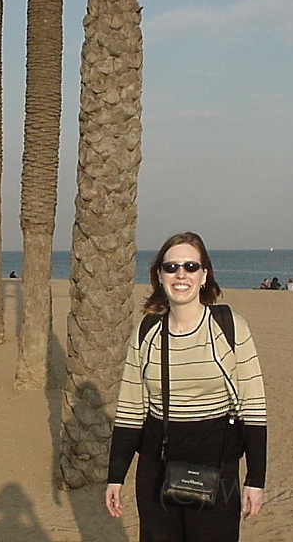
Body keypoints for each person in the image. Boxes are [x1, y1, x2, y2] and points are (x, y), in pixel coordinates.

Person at [106, 232, 267, 541]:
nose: (181, 274)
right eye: (171, 267)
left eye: (191, 266)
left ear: (204, 274)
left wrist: (255, 479)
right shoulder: (147, 332)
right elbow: (130, 410)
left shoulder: (231, 327)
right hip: (157, 469)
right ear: (159, 276)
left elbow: (254, 408)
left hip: (218, 468)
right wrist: (116, 477)